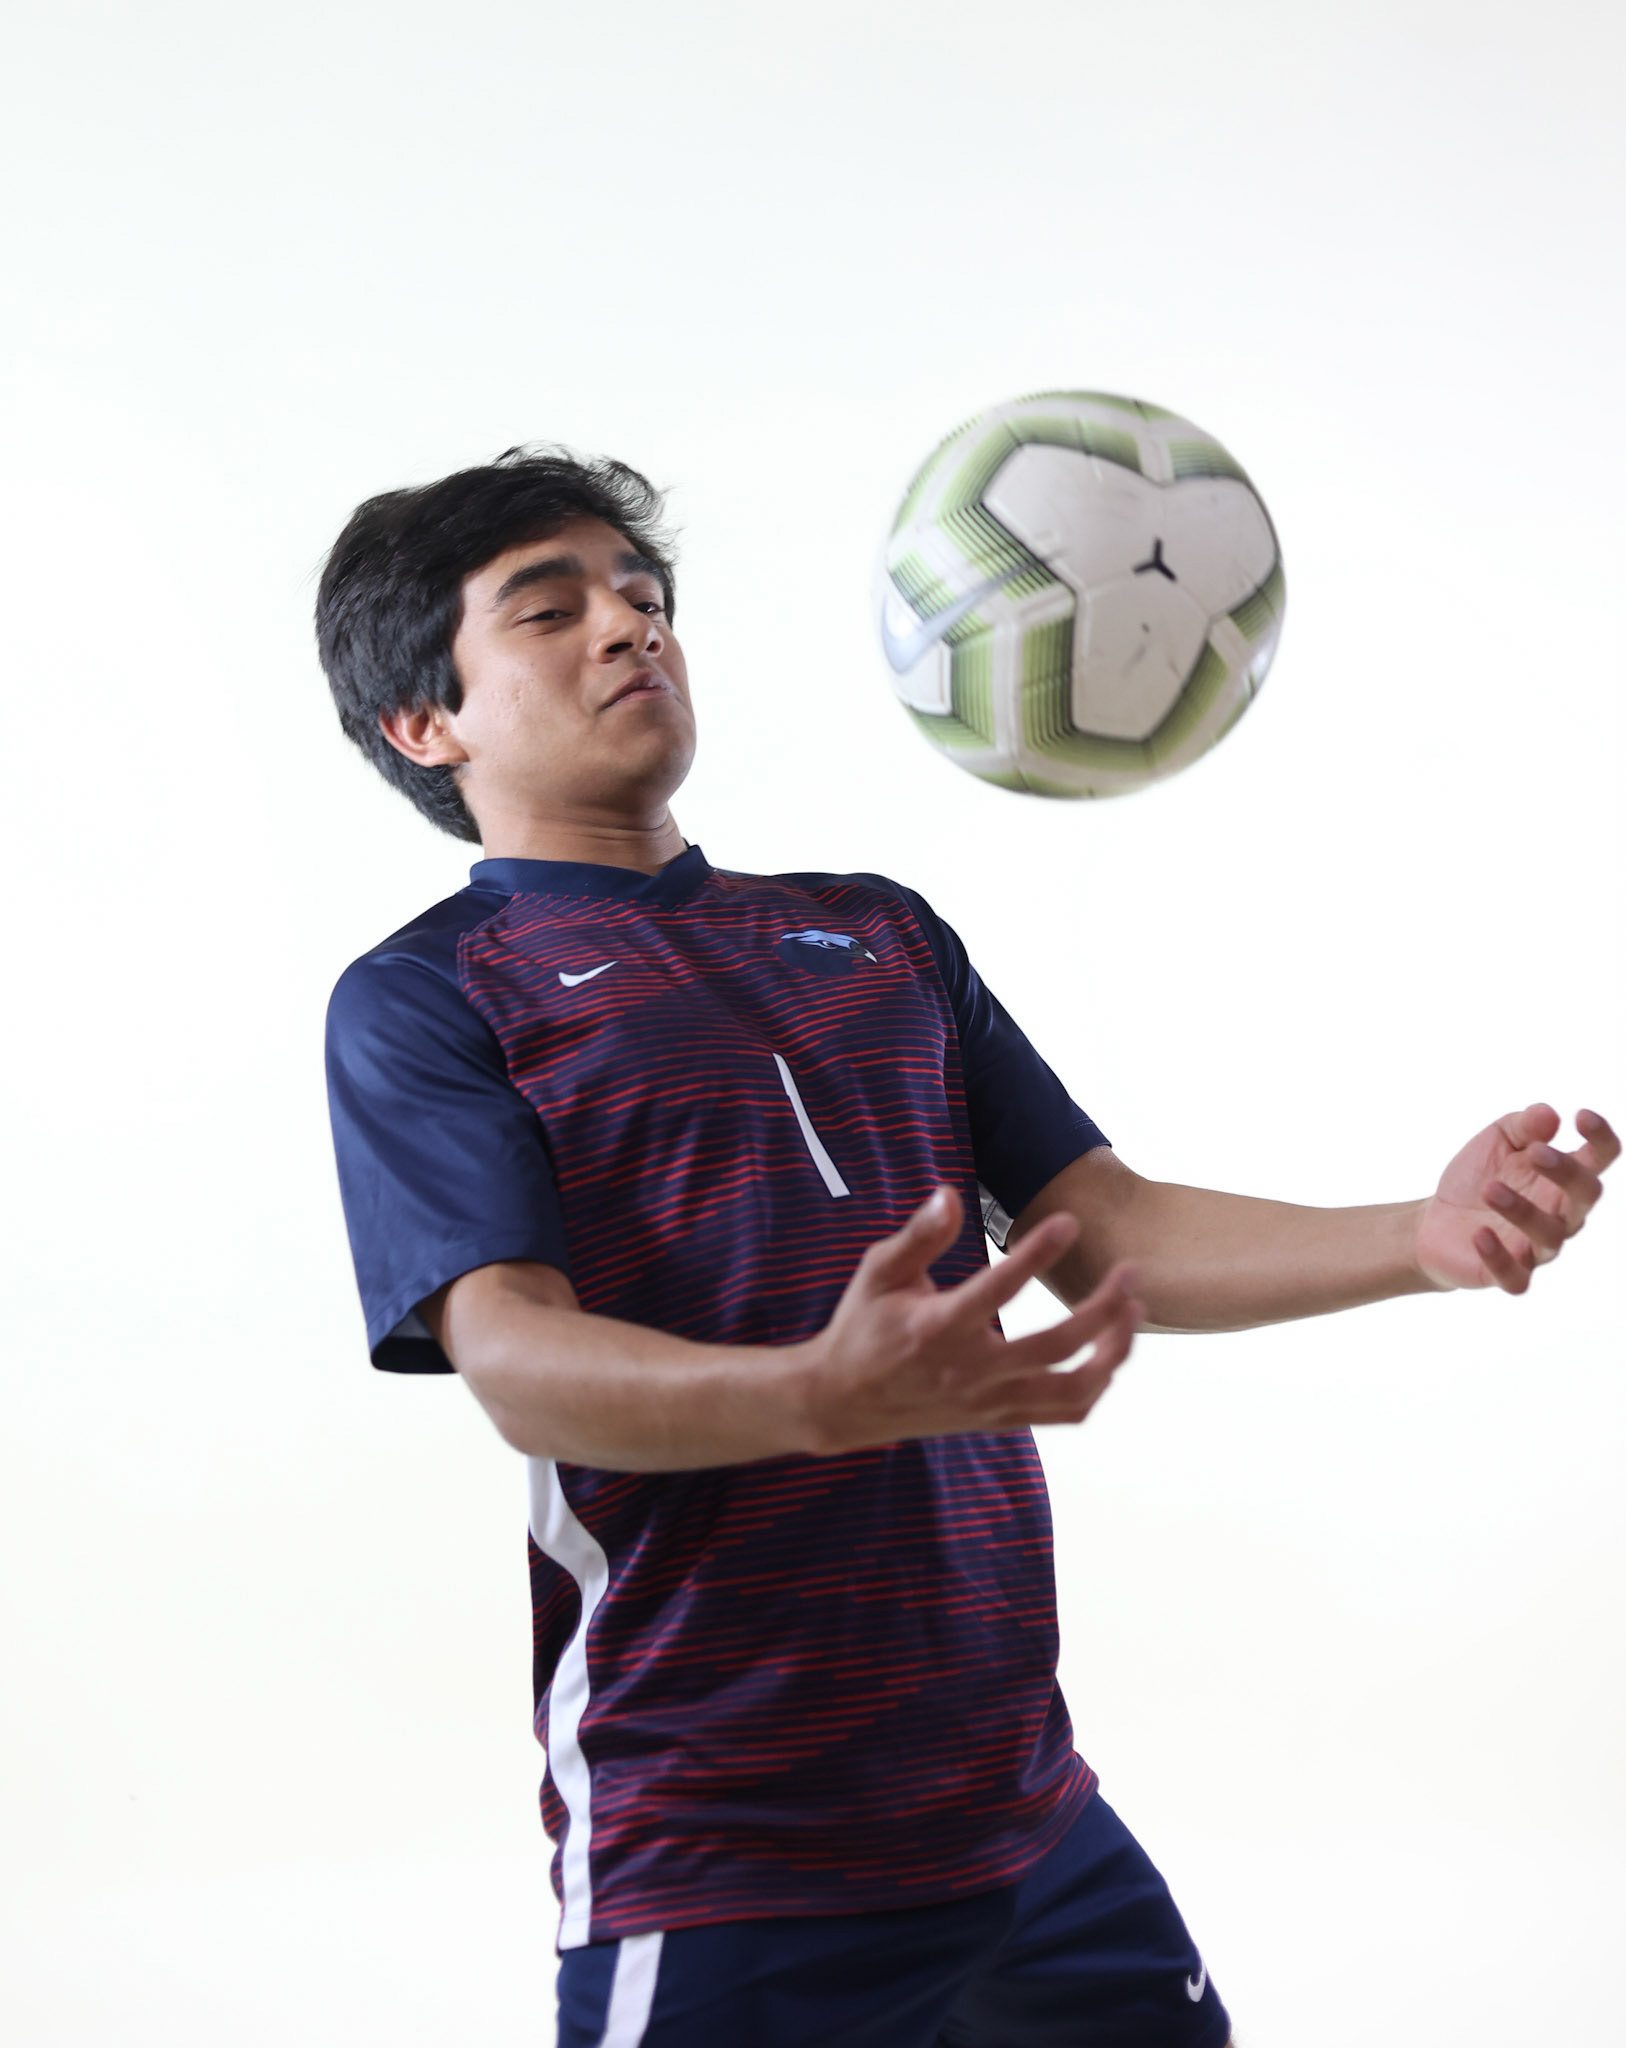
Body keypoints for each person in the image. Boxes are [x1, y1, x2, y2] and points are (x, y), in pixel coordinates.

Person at [319, 446, 1613, 2048]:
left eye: (644, 596)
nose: (629, 625)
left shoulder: (877, 931)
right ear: (424, 722)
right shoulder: (428, 997)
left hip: (1024, 1813)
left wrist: (1420, 1237)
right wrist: (812, 1394)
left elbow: (1110, 1230)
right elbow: (518, 1362)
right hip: (729, 1836)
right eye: (548, 608)